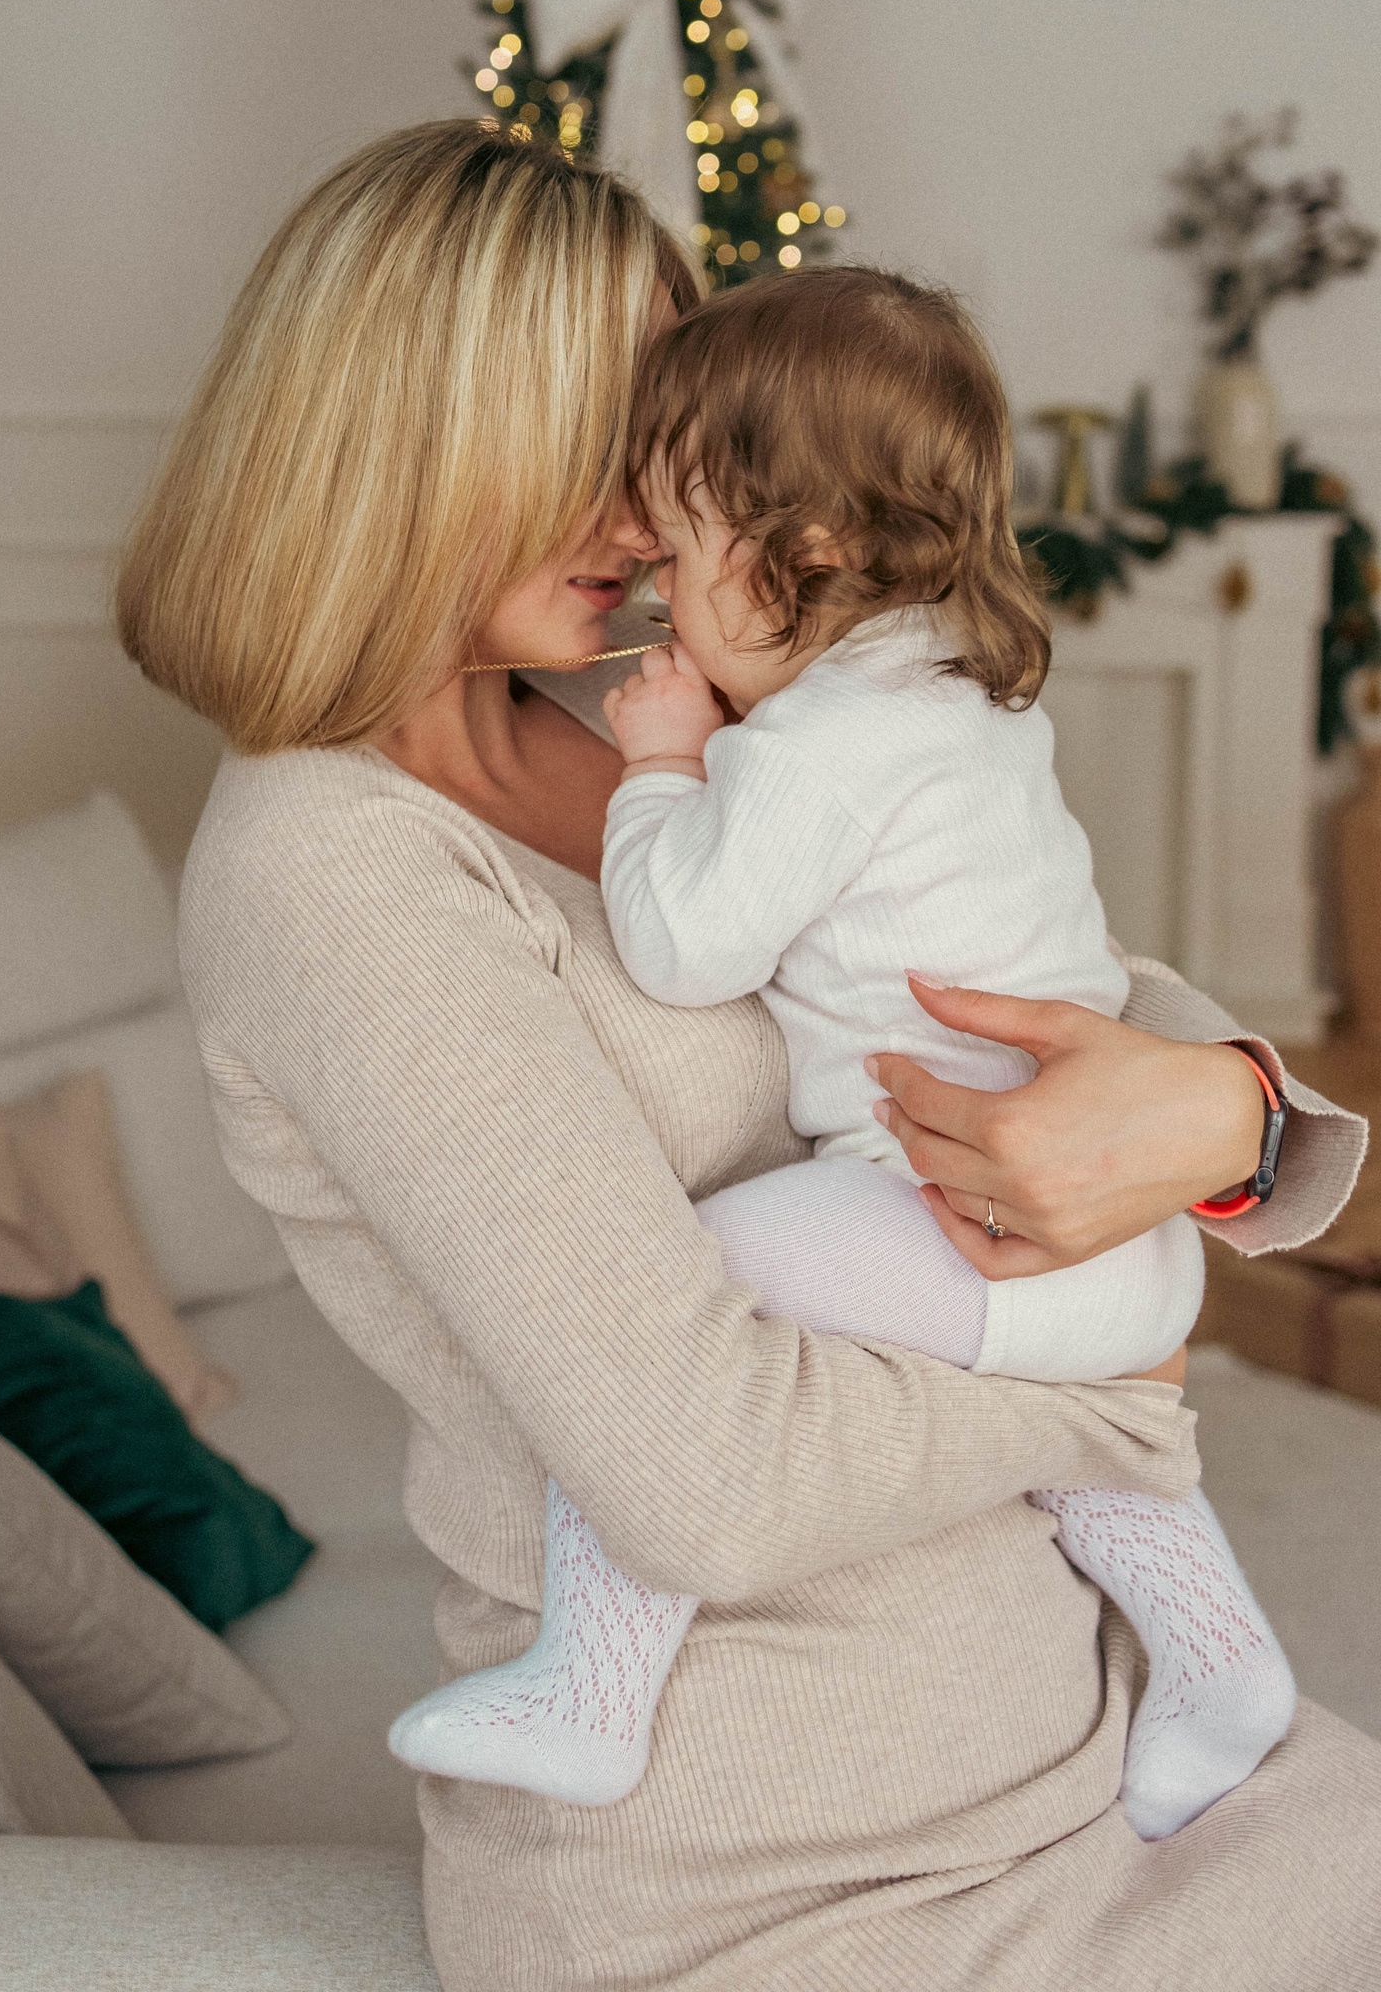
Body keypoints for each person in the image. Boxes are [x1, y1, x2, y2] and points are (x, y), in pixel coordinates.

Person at [119, 121, 1376, 1991]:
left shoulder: (634, 725)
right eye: (591, 446)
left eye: (656, 445)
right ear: (413, 442)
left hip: (1078, 1739)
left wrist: (1226, 1111)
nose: (647, 521)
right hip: (775, 1869)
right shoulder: (331, 871)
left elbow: (1020, 967)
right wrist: (1118, 1384)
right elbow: (704, 1471)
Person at [386, 267, 1293, 1836]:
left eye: (678, 555)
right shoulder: (958, 693)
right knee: (1092, 1455)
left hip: (968, 1209)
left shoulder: (812, 746)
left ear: (799, 554)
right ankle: (1222, 1661)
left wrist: (666, 765)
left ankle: (593, 1687)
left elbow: (685, 947)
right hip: (1120, 1246)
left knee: (684, 1294)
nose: (654, 584)